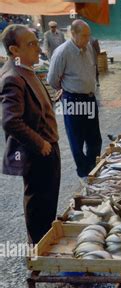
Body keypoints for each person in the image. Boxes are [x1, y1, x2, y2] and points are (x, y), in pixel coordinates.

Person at [0, 24, 60, 244]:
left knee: (48, 200)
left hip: (48, 147)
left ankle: (45, 244)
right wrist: (40, 143)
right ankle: (38, 250)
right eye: (31, 44)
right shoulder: (13, 77)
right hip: (38, 153)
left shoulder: (26, 70)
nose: (38, 48)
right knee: (39, 204)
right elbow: (10, 120)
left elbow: (33, 107)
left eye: (36, 41)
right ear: (14, 50)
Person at [47, 20, 102, 179]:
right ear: (74, 34)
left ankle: (93, 166)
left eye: (88, 35)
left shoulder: (89, 47)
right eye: (84, 36)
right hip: (73, 100)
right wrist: (66, 89)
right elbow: (52, 80)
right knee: (76, 138)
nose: (87, 39)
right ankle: (83, 171)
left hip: (90, 98)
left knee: (94, 138)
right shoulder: (62, 52)